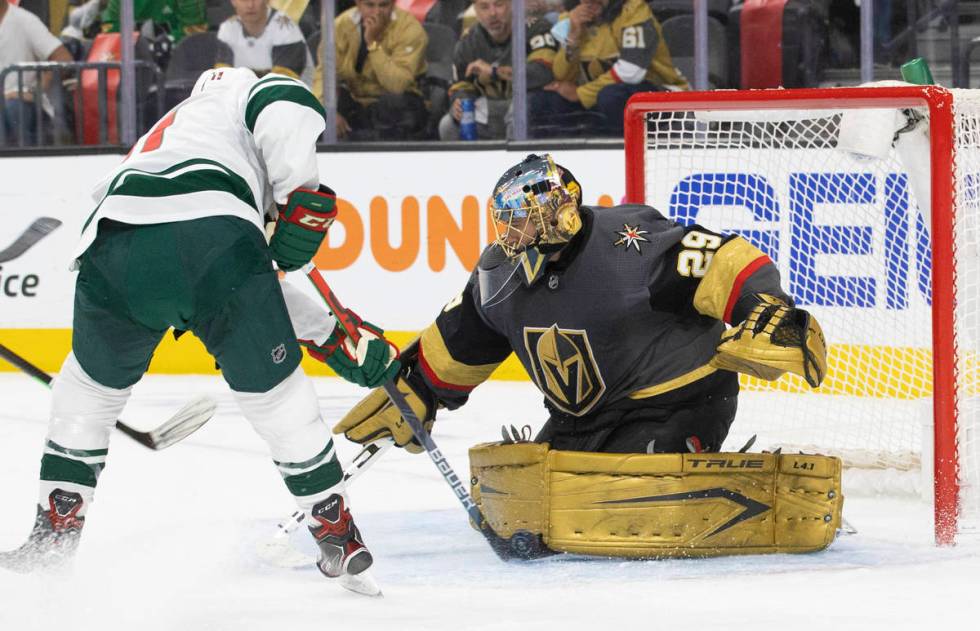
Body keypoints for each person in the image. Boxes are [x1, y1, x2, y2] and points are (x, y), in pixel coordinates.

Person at [0, 68, 398, 595]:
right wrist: (301, 192)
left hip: (112, 243)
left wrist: (327, 331)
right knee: (280, 402)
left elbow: (237, 266)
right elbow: (284, 99)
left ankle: (53, 537)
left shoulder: (164, 138)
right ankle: (338, 535)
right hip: (215, 243)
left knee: (87, 395)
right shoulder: (240, 93)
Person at [333, 153, 832, 558]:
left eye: (524, 221)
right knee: (535, 506)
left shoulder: (631, 244)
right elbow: (467, 335)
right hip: (578, 418)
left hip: (677, 401)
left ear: (560, 212)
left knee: (618, 504)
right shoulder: (498, 273)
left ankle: (712, 472)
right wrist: (420, 387)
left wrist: (768, 310)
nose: (512, 237)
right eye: (506, 223)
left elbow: (725, 259)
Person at [530, 0, 687, 137]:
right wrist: (573, 40)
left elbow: (632, 71)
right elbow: (561, 75)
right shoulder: (571, 18)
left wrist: (580, 94)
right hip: (599, 97)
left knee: (612, 97)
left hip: (660, 95)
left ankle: (620, 151)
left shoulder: (634, 11)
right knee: (543, 101)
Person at [438, 0, 558, 141]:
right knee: (448, 125)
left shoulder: (536, 28)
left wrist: (495, 71)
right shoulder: (468, 41)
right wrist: (460, 101)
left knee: (518, 111)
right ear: (476, 10)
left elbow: (543, 72)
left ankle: (519, 162)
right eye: (484, 7)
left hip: (531, 109)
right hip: (490, 109)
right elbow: (460, 84)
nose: (492, 13)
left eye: (499, 5)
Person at [314, 0, 428, 141]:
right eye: (370, 5)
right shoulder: (341, 26)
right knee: (316, 117)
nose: (377, 12)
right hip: (356, 99)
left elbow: (397, 85)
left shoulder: (410, 29)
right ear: (358, 4)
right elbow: (324, 74)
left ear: (393, 4)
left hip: (397, 103)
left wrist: (373, 44)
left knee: (392, 104)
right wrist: (327, 113)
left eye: (383, 5)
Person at [0, 0, 74, 146]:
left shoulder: (25, 21)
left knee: (13, 108)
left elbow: (64, 59)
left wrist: (34, 91)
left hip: (22, 106)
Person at [216, 0, 315, 86]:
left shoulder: (286, 28)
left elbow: (283, 82)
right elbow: (223, 78)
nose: (250, 5)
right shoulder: (228, 29)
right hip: (247, 98)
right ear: (233, 1)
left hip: (292, 99)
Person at [100, 0, 207, 43]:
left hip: (178, 63)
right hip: (133, 63)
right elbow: (111, 33)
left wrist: (167, 40)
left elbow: (194, 36)